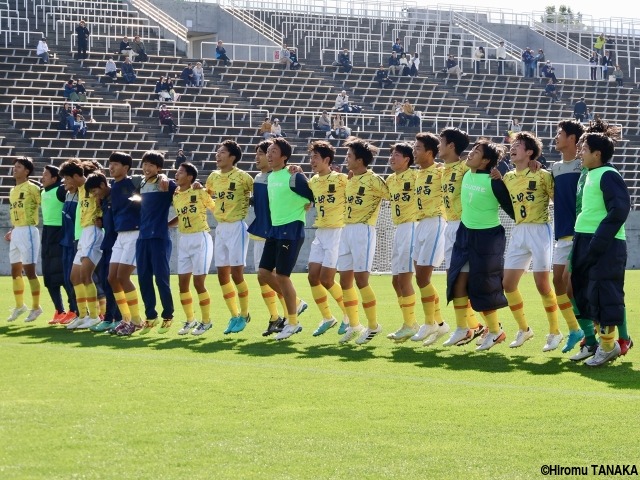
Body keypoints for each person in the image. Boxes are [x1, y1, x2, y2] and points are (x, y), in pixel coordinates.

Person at [500, 132, 582, 351]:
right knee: (507, 284)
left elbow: (560, 200)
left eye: (518, 145)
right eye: (512, 145)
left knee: (542, 284)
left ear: (529, 152)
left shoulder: (543, 175)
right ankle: (524, 330)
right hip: (518, 231)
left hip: (540, 230)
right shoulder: (507, 178)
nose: (512, 148)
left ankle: (555, 332)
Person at [446, 139, 515, 352]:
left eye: (476, 152)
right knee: (457, 280)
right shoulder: (467, 174)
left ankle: (495, 332)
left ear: (485, 160)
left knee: (483, 286)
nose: (470, 154)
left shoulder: (495, 182)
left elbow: (512, 210)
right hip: (465, 235)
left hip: (487, 238)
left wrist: (502, 181)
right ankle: (462, 328)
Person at [571, 128, 630, 366]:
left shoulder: (608, 174)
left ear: (597, 154)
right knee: (585, 293)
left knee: (604, 294)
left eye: (584, 150)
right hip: (584, 240)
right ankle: (597, 344)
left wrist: (599, 240)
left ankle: (608, 346)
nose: (580, 154)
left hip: (605, 244)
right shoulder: (589, 174)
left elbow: (620, 210)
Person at [289, 141, 348, 337]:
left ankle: (349, 316)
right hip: (320, 231)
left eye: (315, 157)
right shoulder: (313, 181)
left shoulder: (340, 179)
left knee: (327, 278)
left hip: (336, 232)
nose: (312, 161)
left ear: (327, 160)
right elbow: (307, 195)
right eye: (311, 157)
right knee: (313, 276)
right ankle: (327, 318)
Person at [257, 138, 315, 340]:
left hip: (291, 229)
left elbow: (313, 194)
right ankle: (297, 303)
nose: (269, 155)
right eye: (268, 151)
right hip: (275, 230)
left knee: (282, 276)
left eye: (274, 151)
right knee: (263, 273)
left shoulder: (294, 176)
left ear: (284, 157)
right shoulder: (271, 177)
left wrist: (308, 202)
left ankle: (293, 323)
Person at [335, 137, 389, 344]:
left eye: (349, 156)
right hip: (346, 230)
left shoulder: (374, 179)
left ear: (360, 160)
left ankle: (373, 326)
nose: (346, 159)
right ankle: (354, 325)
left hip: (363, 230)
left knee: (361, 280)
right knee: (345, 280)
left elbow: (391, 196)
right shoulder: (351, 179)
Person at [439, 127, 486, 347]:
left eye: (441, 142)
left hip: (465, 227)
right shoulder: (442, 170)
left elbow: (485, 176)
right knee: (454, 278)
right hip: (450, 226)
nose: (439, 146)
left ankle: (471, 328)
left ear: (451, 146)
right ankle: (472, 326)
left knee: (465, 280)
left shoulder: (465, 168)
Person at [205, 140, 254, 335]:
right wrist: (214, 208)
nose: (218, 155)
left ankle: (244, 314)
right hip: (221, 228)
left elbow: (259, 193)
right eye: (217, 151)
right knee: (222, 275)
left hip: (237, 227)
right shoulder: (213, 177)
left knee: (237, 274)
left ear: (232, 157)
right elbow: (206, 196)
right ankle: (234, 315)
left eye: (222, 152)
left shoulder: (243, 177)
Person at [551, 119, 590, 356]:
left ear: (573, 139)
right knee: (558, 283)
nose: (556, 137)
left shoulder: (584, 166)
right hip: (562, 233)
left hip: (580, 232)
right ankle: (575, 329)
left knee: (572, 284)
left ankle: (591, 333)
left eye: (560, 133)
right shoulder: (554, 168)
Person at [409, 133, 450, 345]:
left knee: (423, 278)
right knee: (420, 278)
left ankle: (430, 323)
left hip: (436, 222)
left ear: (430, 152)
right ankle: (441, 324)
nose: (414, 152)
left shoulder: (441, 171)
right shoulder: (416, 174)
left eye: (417, 148)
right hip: (420, 224)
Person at [100, 152, 144, 336]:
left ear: (126, 168)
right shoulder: (113, 187)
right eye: (110, 164)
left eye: (116, 164)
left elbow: (152, 181)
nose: (111, 167)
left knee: (123, 277)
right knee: (112, 278)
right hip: (119, 235)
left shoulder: (133, 183)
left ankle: (135, 321)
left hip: (134, 233)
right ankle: (126, 319)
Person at [59, 159, 104, 330]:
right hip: (84, 234)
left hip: (93, 232)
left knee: (86, 276)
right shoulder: (78, 188)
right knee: (74, 277)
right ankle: (83, 315)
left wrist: (103, 219)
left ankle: (94, 316)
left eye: (68, 179)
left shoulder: (92, 185)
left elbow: (106, 196)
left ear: (78, 176)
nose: (66, 182)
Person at [136, 151, 177, 335]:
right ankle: (150, 316)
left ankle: (168, 316)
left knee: (161, 278)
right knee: (143, 278)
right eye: (145, 164)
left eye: (151, 165)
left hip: (159, 237)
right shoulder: (141, 184)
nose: (147, 167)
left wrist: (169, 224)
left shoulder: (165, 184)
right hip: (143, 237)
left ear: (159, 168)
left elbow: (185, 198)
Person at [172, 162, 216, 336]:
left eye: (180, 172)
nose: (177, 174)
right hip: (184, 240)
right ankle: (190, 320)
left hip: (200, 238)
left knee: (198, 283)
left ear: (190, 177)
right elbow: (181, 215)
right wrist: (168, 224)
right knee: (182, 284)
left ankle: (206, 321)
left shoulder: (198, 192)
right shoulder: (175, 195)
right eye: (177, 172)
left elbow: (213, 207)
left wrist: (205, 189)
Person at [246, 140, 285, 336]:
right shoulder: (258, 178)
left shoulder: (277, 178)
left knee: (272, 276)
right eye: (259, 153)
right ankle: (275, 317)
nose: (259, 157)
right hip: (260, 232)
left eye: (262, 153)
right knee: (263, 279)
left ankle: (290, 312)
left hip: (272, 234)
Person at [384, 143, 419, 343]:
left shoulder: (415, 176)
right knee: (395, 281)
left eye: (396, 155)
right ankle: (410, 323)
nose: (392, 158)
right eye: (391, 154)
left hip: (412, 226)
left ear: (407, 159)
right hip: (399, 228)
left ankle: (411, 324)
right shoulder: (390, 179)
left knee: (404, 279)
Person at [5, 158, 43, 323]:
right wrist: (13, 230)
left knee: (29, 271)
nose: (15, 169)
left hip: (28, 230)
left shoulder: (33, 188)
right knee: (15, 271)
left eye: (18, 167)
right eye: (14, 167)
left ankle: (36, 308)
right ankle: (20, 306)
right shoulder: (13, 190)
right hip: (17, 231)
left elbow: (44, 204)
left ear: (27, 171)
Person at [84, 172, 122, 333]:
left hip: (118, 244)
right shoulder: (104, 201)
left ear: (102, 185)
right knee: (108, 282)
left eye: (94, 191)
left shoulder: (117, 195)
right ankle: (112, 318)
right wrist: (102, 222)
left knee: (114, 282)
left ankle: (118, 318)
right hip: (108, 244)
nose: (94, 195)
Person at [39, 165, 70, 324]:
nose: (42, 177)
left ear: (54, 178)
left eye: (45, 174)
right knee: (49, 275)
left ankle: (74, 310)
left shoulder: (60, 190)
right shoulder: (43, 191)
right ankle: (59, 311)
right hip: (47, 233)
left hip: (59, 232)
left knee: (62, 274)